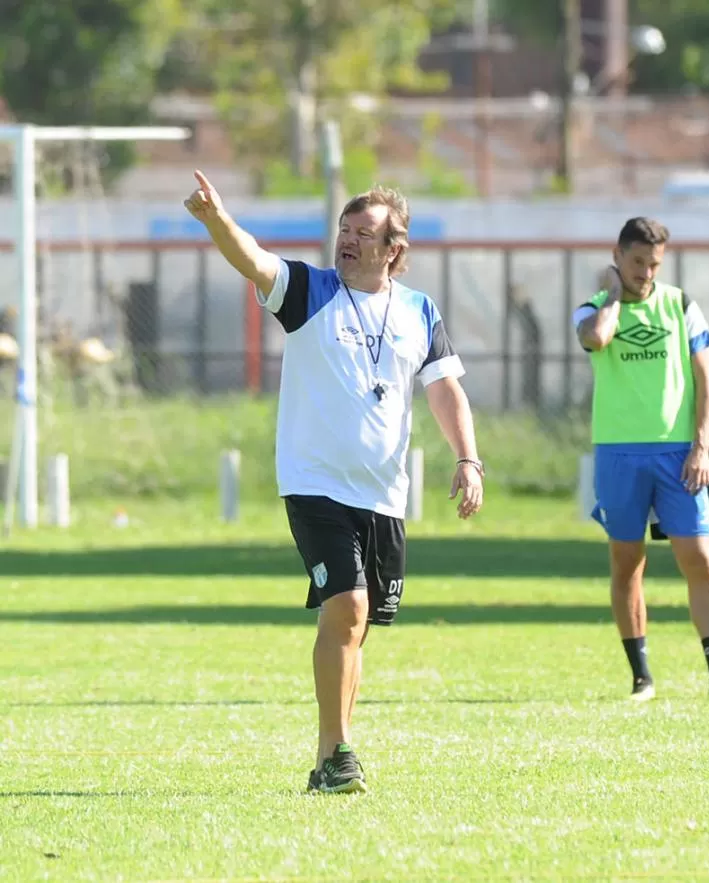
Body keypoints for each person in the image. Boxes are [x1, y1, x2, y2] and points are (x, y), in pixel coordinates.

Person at [184, 171, 485, 794]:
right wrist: (216, 218)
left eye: (362, 233)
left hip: (383, 492)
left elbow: (445, 390)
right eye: (343, 230)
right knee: (346, 606)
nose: (346, 240)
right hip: (314, 483)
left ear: (393, 249)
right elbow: (253, 260)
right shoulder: (308, 289)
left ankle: (332, 759)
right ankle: (337, 748)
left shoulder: (418, 311)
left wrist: (468, 458)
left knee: (358, 622)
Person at [573, 217, 709, 702]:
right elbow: (597, 340)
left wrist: (701, 446)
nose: (646, 273)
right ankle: (642, 678)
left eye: (654, 264)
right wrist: (613, 294)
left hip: (677, 454)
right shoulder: (592, 310)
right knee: (627, 562)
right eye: (636, 263)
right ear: (618, 256)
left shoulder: (681, 305)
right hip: (618, 453)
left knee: (699, 559)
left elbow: (706, 382)